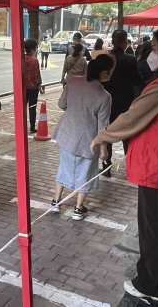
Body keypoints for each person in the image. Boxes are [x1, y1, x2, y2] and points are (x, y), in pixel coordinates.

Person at [91, 24, 158, 302]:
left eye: (154, 49)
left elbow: (131, 118)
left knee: (153, 230)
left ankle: (151, 286)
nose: (150, 54)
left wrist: (102, 136)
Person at [51, 54, 115, 220]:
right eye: (110, 72)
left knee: (64, 167)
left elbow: (61, 104)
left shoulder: (73, 81)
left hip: (67, 134)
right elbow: (102, 127)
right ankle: (78, 209)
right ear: (104, 73)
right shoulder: (104, 96)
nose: (111, 75)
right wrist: (104, 149)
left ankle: (56, 201)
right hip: (88, 141)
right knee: (85, 173)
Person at [101, 30, 141, 174]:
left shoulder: (105, 58)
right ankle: (130, 165)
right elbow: (137, 80)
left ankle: (106, 165)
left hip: (107, 101)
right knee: (127, 134)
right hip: (126, 102)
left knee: (108, 131)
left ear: (113, 41)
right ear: (124, 43)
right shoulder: (130, 59)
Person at [23, 39, 43, 133]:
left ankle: (22, 125)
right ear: (32, 49)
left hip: (23, 87)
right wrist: (39, 87)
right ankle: (32, 126)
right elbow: (37, 75)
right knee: (32, 107)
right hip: (33, 87)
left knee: (23, 107)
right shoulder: (34, 60)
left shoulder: (22, 58)